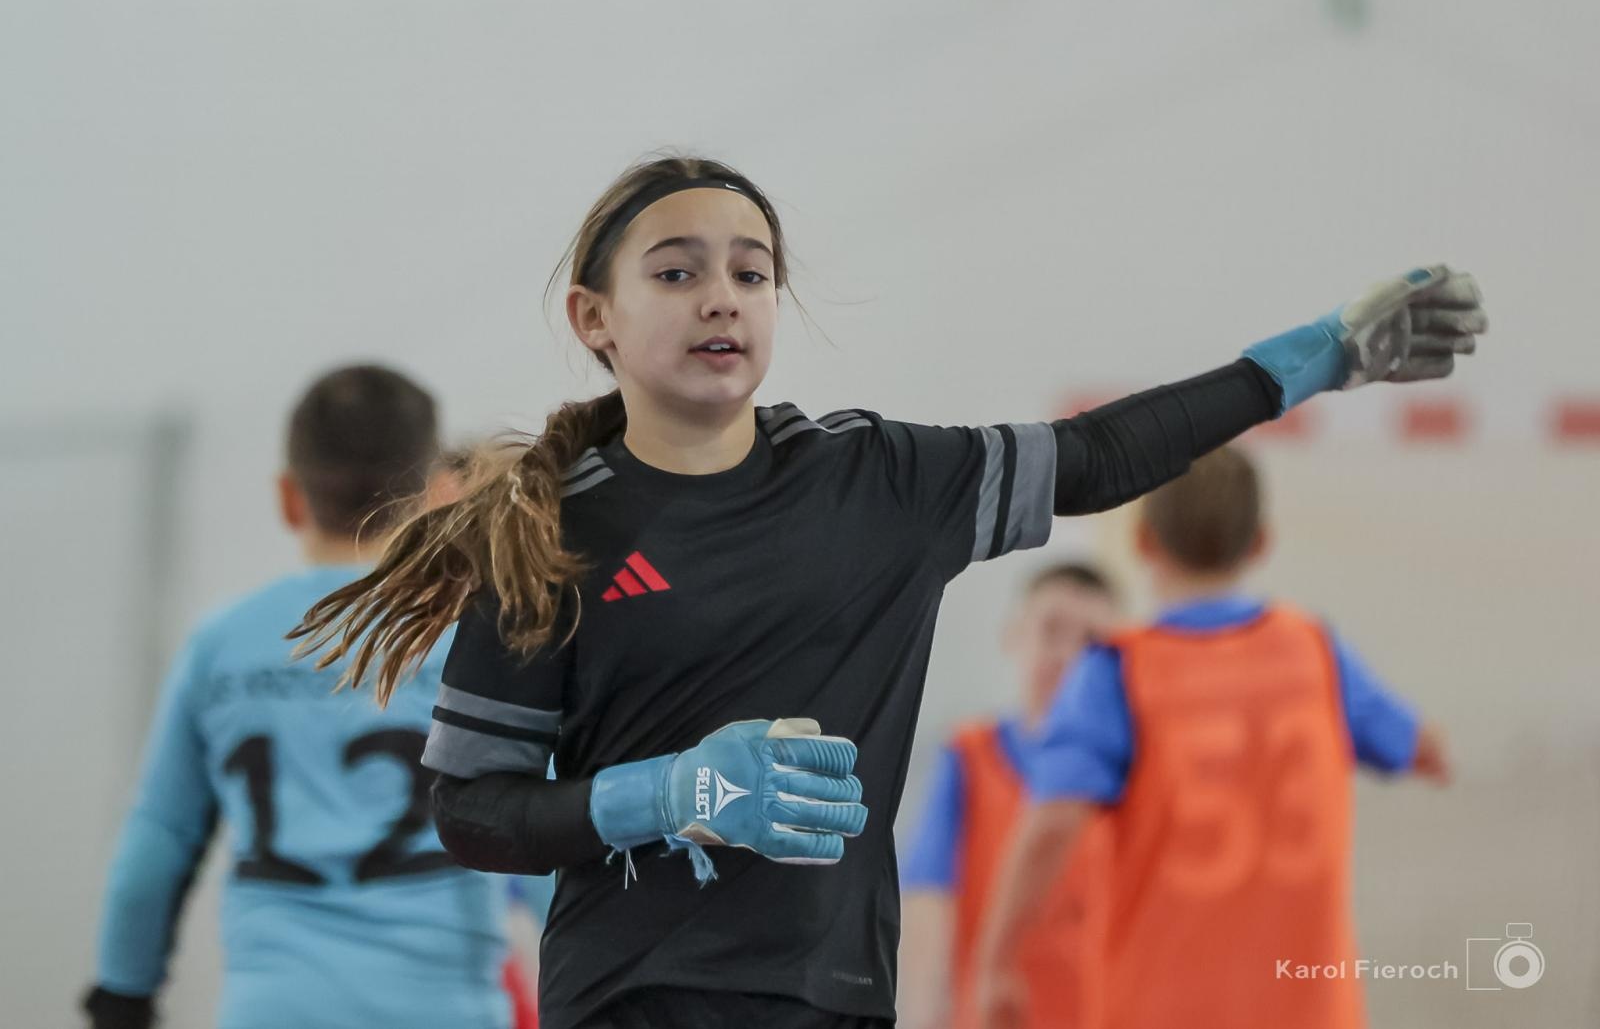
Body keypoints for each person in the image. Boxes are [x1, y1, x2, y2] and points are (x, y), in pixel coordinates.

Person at [291, 155, 1486, 1029]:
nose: (721, 295)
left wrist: (1315, 359)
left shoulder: (879, 481)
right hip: (632, 997)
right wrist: (670, 791)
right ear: (592, 317)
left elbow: (1096, 455)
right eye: (677, 270)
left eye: (751, 271)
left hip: (836, 992)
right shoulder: (549, 529)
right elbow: (471, 810)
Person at [85, 365, 514, 1029]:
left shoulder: (223, 644)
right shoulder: (479, 640)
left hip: (274, 1008)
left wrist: (123, 993)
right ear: (439, 496)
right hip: (446, 1008)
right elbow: (544, 841)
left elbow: (159, 839)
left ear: (289, 497)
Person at [972, 445, 1452, 1029]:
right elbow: (1420, 748)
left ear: (1143, 542)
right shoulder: (1314, 652)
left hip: (1162, 1006)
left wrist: (996, 961)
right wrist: (1430, 748)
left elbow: (1050, 825)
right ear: (1261, 543)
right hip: (1308, 1010)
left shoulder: (1117, 671)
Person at [899, 563, 1119, 1029]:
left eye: (1090, 641)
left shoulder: (1128, 774)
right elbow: (929, 903)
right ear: (1015, 635)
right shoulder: (969, 758)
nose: (1067, 655)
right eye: (1051, 630)